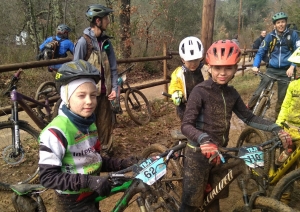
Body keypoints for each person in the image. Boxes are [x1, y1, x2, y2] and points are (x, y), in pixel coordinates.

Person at [180, 40, 292, 212]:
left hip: (220, 153)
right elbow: (186, 125)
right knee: (190, 206)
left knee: (213, 200)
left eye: (228, 68)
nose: (222, 73)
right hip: (197, 153)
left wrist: (276, 129)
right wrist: (203, 139)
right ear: (209, 67)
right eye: (217, 68)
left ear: (235, 69)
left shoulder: (232, 93)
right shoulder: (200, 91)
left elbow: (249, 117)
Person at [38, 60, 138, 211]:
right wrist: (89, 181)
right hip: (72, 201)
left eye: (93, 95)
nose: (89, 101)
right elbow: (47, 177)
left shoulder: (88, 124)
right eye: (81, 95)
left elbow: (92, 159)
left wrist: (122, 163)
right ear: (66, 98)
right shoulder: (55, 132)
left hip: (91, 191)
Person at [74, 4, 118, 152]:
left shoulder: (106, 43)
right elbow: (76, 70)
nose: (108, 21)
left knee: (105, 125)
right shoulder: (83, 43)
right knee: (88, 127)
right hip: (89, 95)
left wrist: (115, 89)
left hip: (106, 94)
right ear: (98, 21)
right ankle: (88, 155)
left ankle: (106, 156)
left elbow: (113, 67)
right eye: (106, 18)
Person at [247, 12, 299, 118]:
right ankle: (248, 111)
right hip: (272, 69)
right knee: (258, 92)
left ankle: (277, 121)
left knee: (282, 98)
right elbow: (261, 52)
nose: (281, 24)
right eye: (278, 22)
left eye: (283, 22)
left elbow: (298, 51)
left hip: (287, 70)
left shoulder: (293, 35)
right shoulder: (270, 36)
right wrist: (255, 65)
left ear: (286, 22)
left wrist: (292, 66)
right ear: (274, 25)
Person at [168, 36, 208, 121]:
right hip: (186, 105)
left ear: (200, 58)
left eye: (196, 60)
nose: (193, 63)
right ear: (183, 60)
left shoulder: (206, 70)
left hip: (205, 105)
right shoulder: (178, 73)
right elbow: (174, 85)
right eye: (189, 61)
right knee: (189, 126)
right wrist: (176, 93)